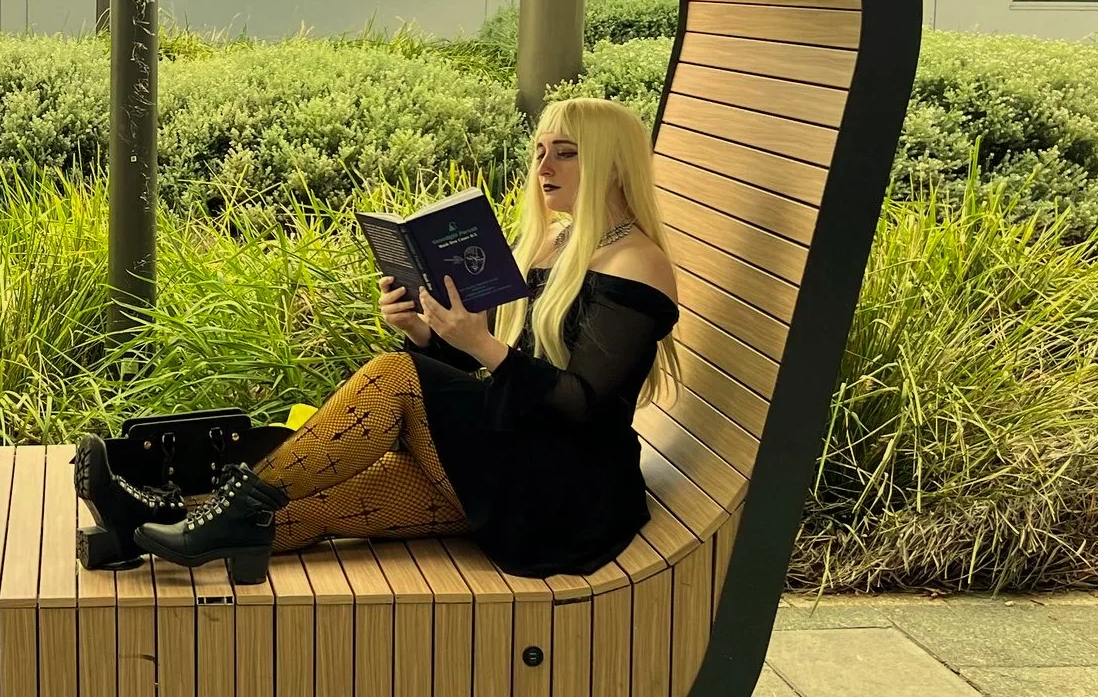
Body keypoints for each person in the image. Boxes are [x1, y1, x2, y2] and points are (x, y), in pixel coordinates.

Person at [101, 97, 681, 584]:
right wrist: (425, 333)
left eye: (566, 152)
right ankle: (144, 522)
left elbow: (583, 405)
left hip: (567, 489)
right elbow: (506, 372)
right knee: (320, 505)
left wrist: (482, 347)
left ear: (612, 163)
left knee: (393, 376)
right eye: (538, 151)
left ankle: (202, 513)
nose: (543, 165)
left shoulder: (636, 262)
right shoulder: (555, 243)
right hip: (514, 455)